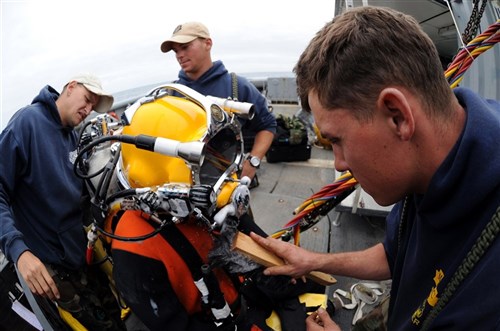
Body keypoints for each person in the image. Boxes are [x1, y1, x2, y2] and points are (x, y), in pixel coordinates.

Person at [249, 6, 500, 331]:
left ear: (397, 115)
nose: (338, 163)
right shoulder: (431, 163)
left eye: (337, 140)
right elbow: (395, 254)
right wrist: (314, 262)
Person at [0, 74, 126, 330]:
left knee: (117, 317)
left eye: (92, 107)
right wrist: (18, 251)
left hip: (83, 258)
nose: (88, 110)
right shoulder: (28, 123)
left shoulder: (71, 137)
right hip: (53, 271)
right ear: (70, 88)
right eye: (87, 100)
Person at [160, 21, 277, 183]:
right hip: (181, 183)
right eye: (176, 51)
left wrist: (253, 161)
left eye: (185, 47)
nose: (179, 55)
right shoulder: (172, 93)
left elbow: (267, 124)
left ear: (208, 43)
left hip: (226, 183)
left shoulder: (237, 86)